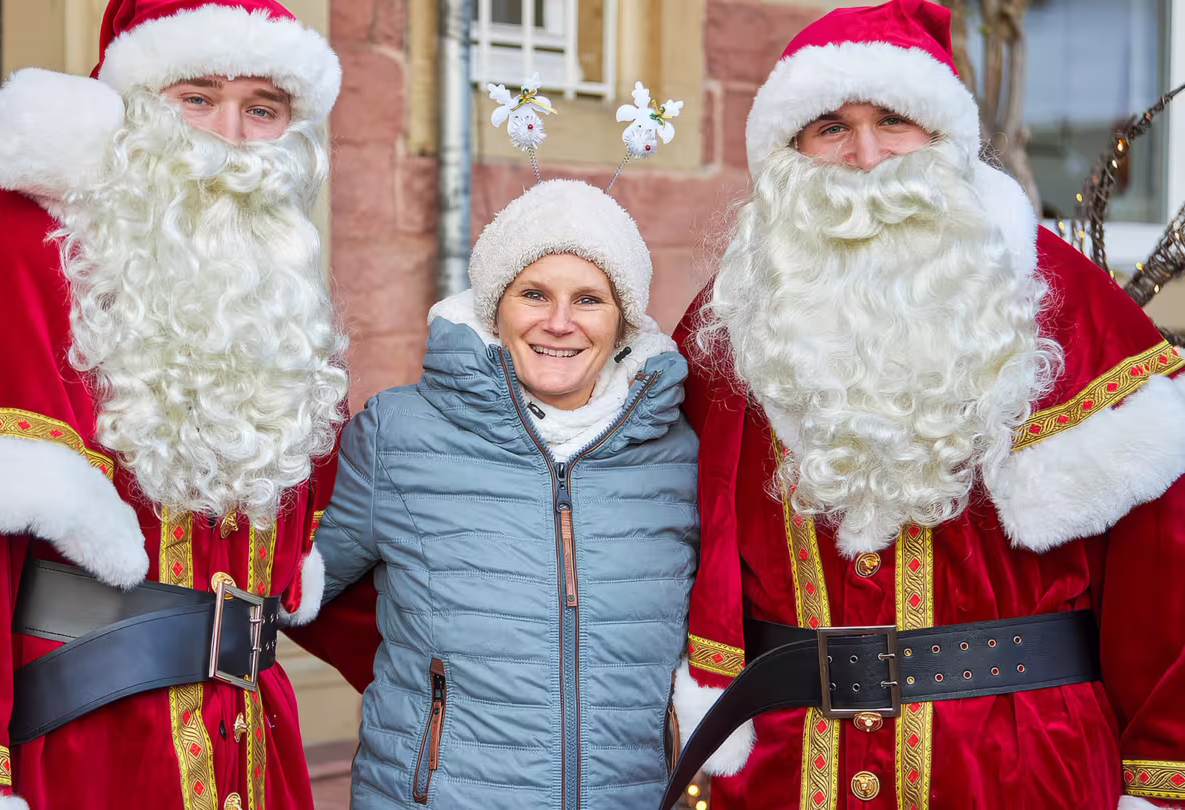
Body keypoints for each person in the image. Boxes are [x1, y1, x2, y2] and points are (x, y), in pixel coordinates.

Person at [0, 1, 350, 807]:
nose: (230, 135)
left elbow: (324, 558)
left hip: (251, 757)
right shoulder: (10, 257)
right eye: (197, 98)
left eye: (263, 109)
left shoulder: (273, 291)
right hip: (81, 763)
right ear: (133, 104)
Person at [669, 2, 1185, 809]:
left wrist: (1161, 780)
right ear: (790, 154)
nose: (867, 155)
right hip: (783, 771)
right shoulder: (734, 316)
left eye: (893, 121)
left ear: (942, 137)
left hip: (1017, 772)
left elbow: (1165, 573)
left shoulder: (1070, 309)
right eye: (831, 128)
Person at [308, 179, 701, 807]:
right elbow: (291, 588)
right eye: (534, 294)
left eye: (589, 299)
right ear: (495, 305)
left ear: (623, 319)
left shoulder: (678, 454)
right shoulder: (398, 434)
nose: (559, 323)